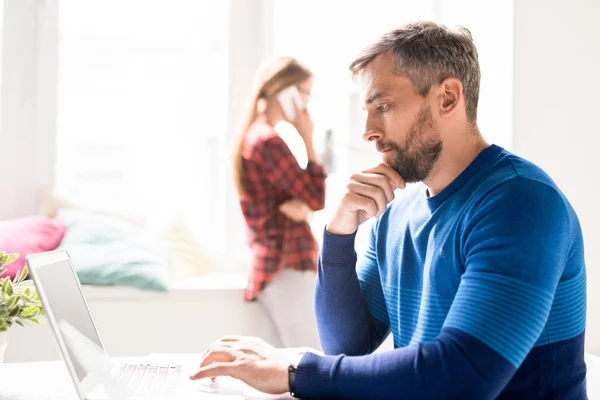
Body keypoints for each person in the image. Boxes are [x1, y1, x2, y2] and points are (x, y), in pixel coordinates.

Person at [191, 22, 587, 399]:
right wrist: (338, 234)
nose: (367, 130)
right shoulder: (397, 214)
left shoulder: (520, 203)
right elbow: (347, 345)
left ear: (447, 97)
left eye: (382, 105)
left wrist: (295, 372)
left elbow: (464, 376)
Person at [231, 57, 326, 349]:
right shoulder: (269, 142)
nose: (307, 103)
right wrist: (308, 139)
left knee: (283, 373)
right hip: (288, 267)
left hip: (278, 267)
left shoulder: (255, 136)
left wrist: (304, 210)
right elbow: (317, 197)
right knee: (309, 361)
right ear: (286, 91)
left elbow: (307, 204)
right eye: (305, 93)